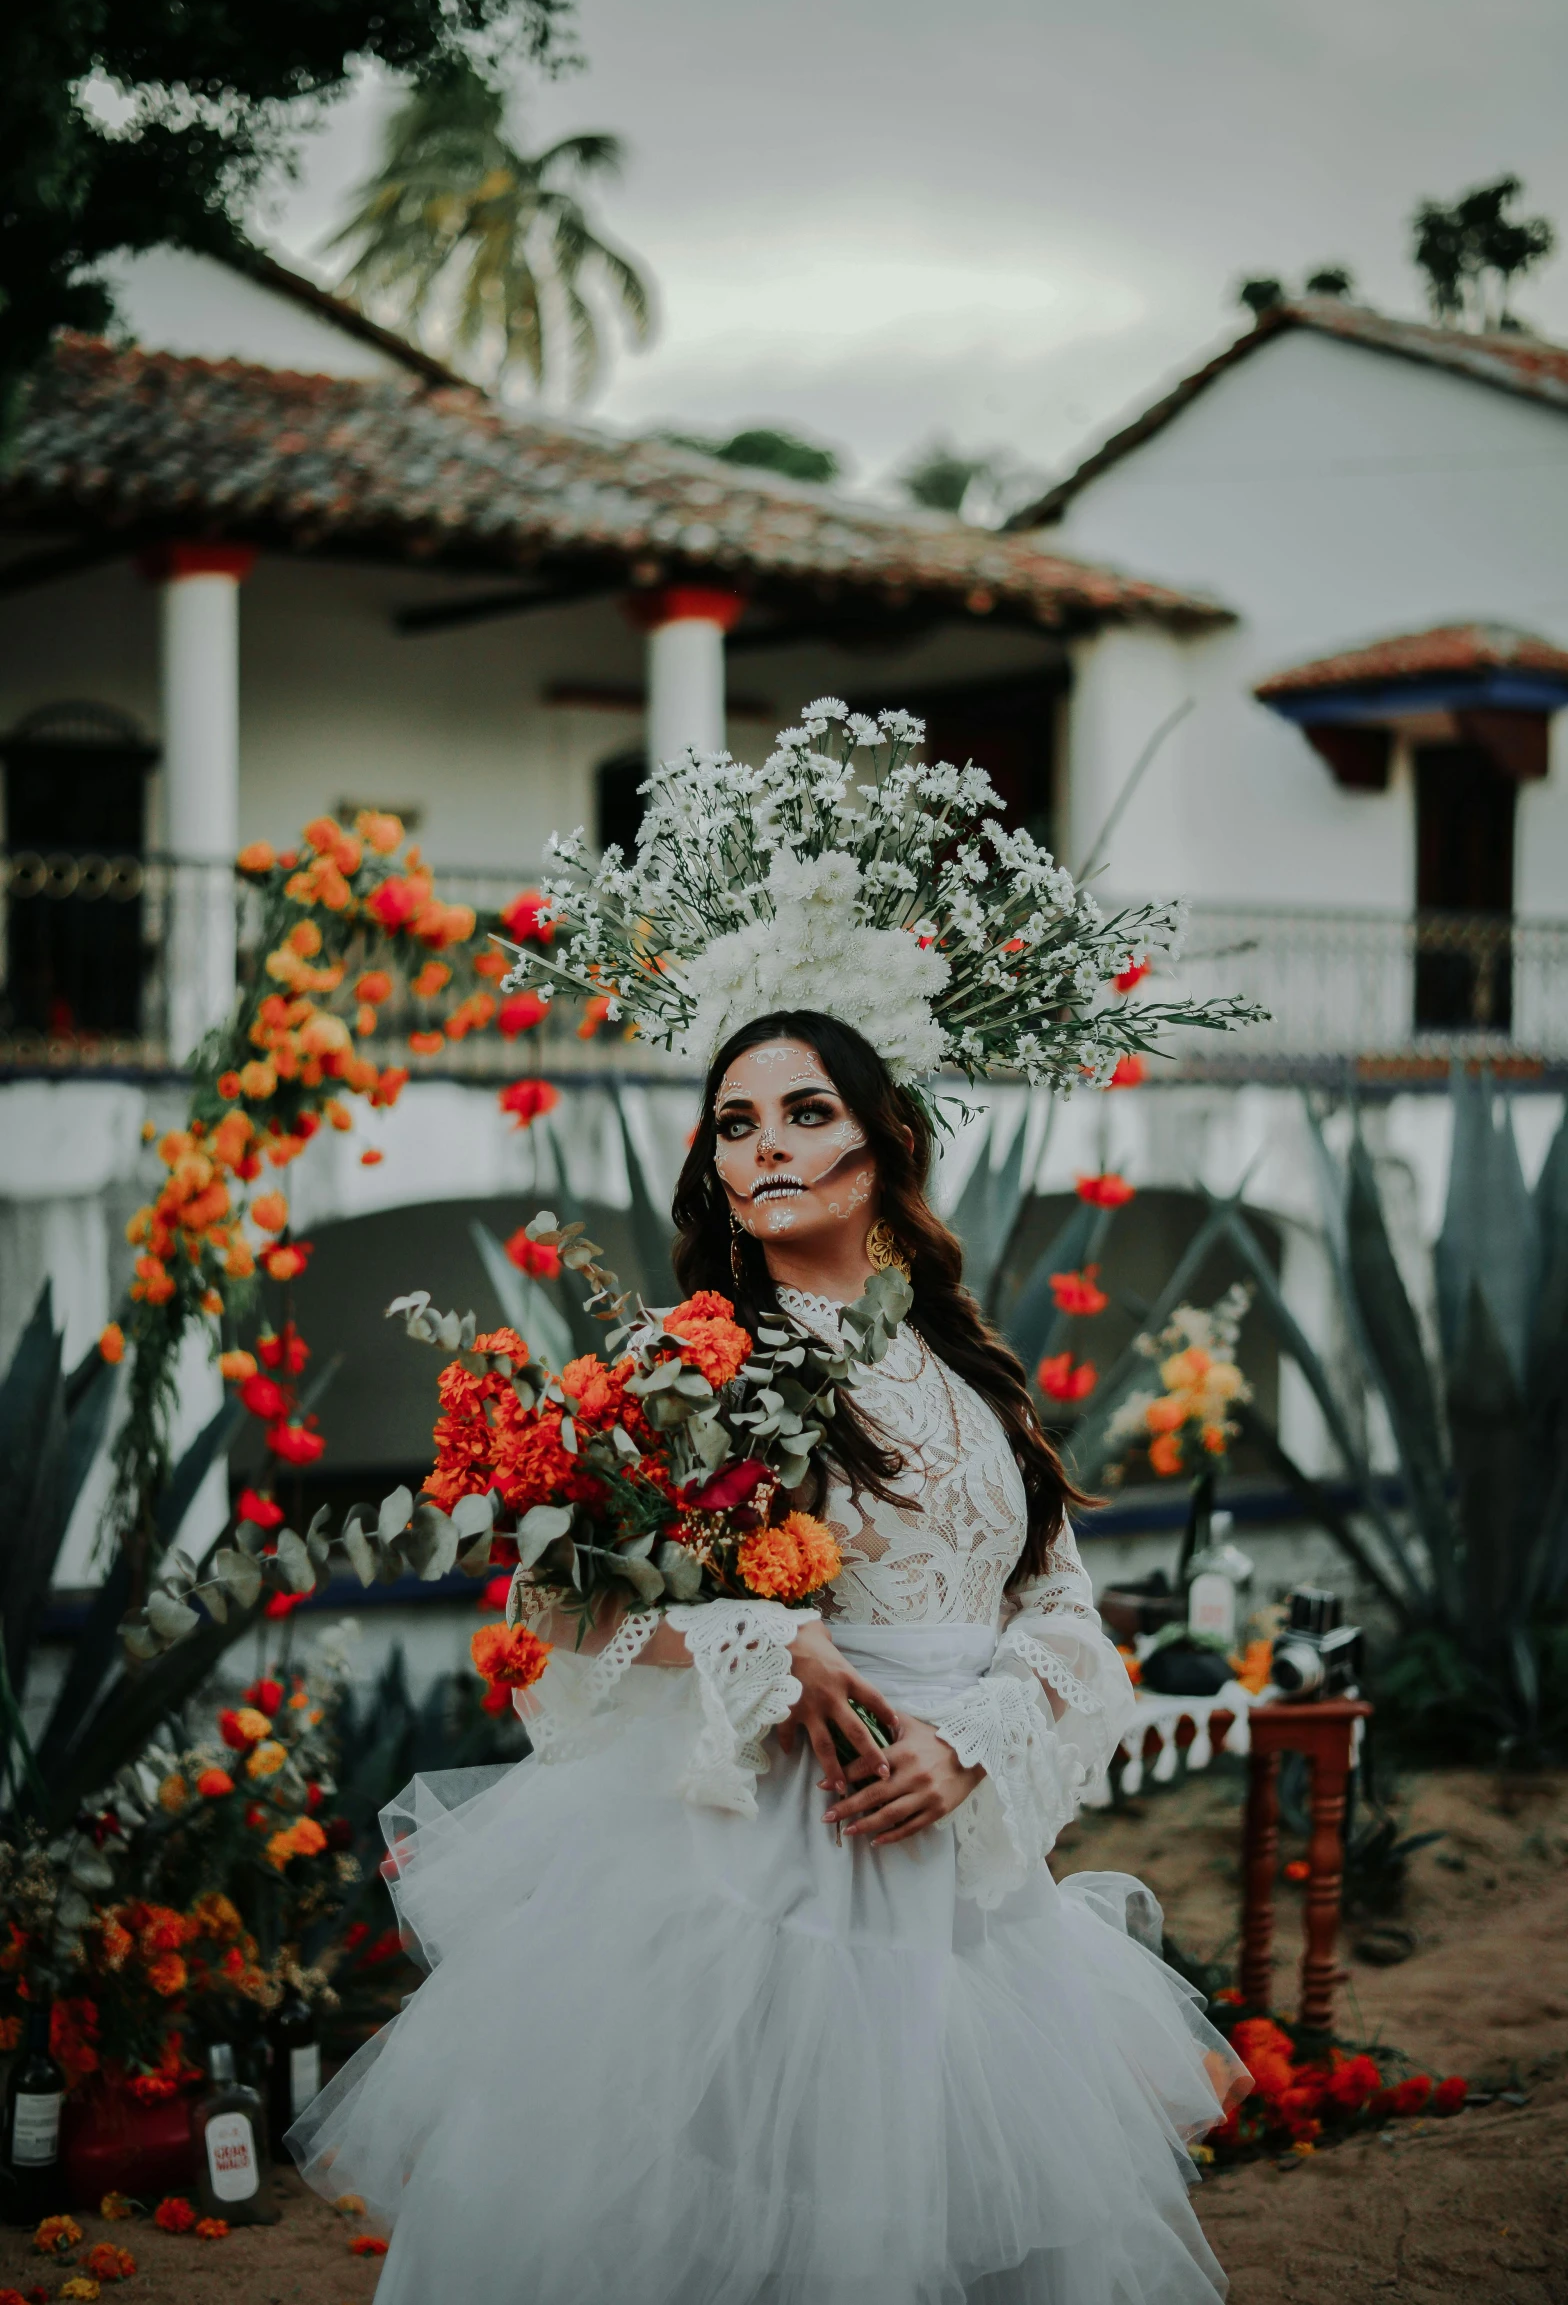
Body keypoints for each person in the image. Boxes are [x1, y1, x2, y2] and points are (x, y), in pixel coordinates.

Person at [291, 707, 1255, 2302]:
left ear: (884, 1141)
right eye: (737, 1122)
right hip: (761, 1862)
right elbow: (573, 1597)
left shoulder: (971, 1365)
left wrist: (974, 1743)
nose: (768, 1145)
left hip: (953, 1853)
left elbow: (1063, 1606)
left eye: (806, 1111)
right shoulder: (689, 1355)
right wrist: (770, 1645)